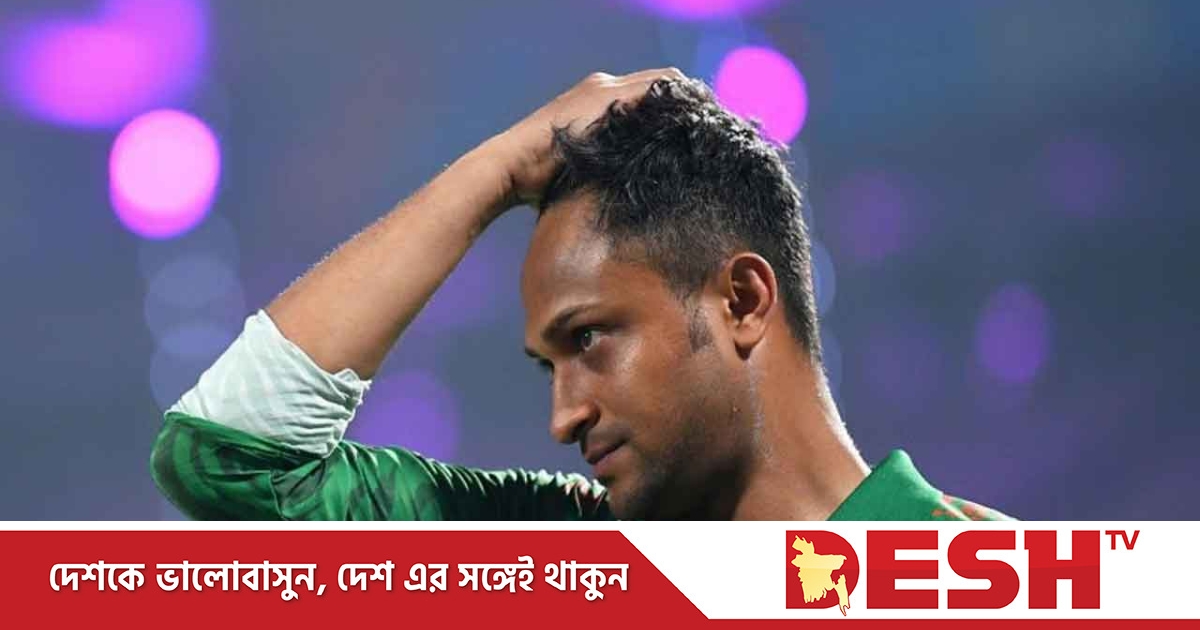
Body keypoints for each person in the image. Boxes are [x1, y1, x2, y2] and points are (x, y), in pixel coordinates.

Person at [151, 69, 1011, 521]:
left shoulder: (992, 584)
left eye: (590, 338)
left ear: (744, 301)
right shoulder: (564, 559)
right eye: (549, 365)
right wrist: (499, 169)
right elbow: (225, 461)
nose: (563, 418)